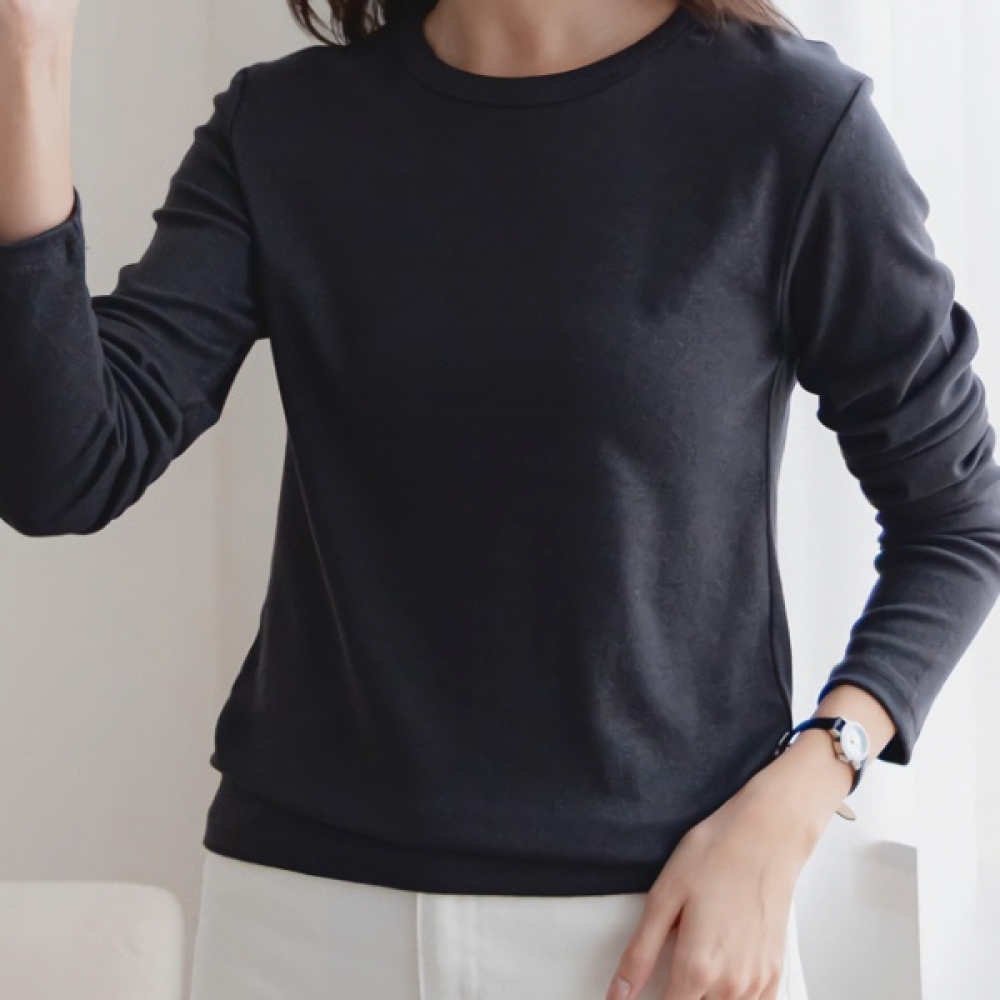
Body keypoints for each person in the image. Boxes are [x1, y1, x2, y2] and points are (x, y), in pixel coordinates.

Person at [3, 0, 999, 997]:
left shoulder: (786, 122)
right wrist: (28, 44)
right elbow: (67, 468)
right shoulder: (285, 125)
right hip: (303, 918)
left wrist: (802, 792)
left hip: (655, 924)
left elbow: (958, 520)